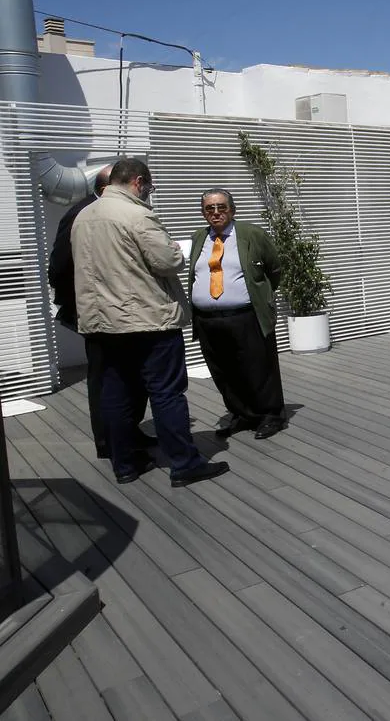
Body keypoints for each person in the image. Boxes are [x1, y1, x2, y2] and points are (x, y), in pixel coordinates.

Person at [72, 158, 229, 487]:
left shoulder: (83, 217)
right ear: (138, 182)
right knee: (167, 393)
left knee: (115, 395)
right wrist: (175, 249)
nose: (149, 194)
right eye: (149, 188)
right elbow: (167, 261)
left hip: (102, 324)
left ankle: (125, 465)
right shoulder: (138, 215)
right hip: (147, 322)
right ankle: (184, 464)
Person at [48, 165, 154, 458]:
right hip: (99, 314)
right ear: (111, 187)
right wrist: (83, 303)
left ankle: (127, 434)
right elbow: (58, 267)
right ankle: (110, 442)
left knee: (130, 377)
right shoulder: (83, 213)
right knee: (107, 378)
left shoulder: (111, 211)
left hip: (124, 312)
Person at [187, 188, 288, 440]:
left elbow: (274, 269)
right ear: (203, 213)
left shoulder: (251, 234)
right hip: (208, 320)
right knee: (223, 371)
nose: (216, 212)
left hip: (245, 316)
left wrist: (263, 296)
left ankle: (270, 415)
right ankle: (242, 414)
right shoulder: (199, 237)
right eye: (210, 208)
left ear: (232, 210)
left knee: (258, 368)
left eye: (221, 207)